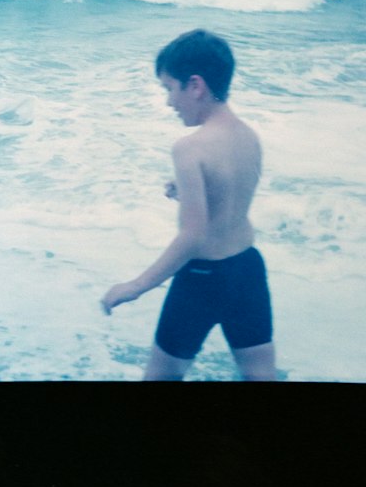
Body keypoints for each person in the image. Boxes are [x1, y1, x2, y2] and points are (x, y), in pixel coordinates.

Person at [101, 29, 276, 381]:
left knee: (160, 378)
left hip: (203, 279)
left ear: (195, 86)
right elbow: (230, 197)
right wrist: (189, 190)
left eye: (169, 88)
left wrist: (136, 285)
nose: (169, 101)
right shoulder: (248, 135)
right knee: (260, 375)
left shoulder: (189, 148)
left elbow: (193, 236)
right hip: (247, 270)